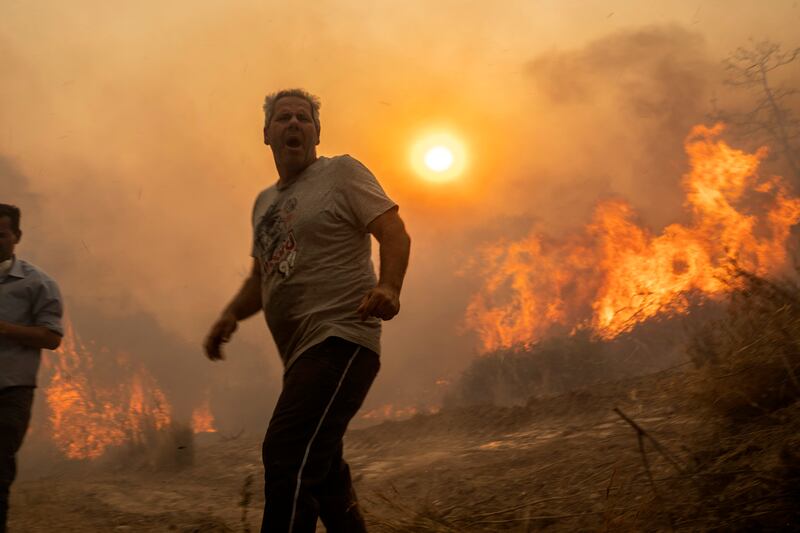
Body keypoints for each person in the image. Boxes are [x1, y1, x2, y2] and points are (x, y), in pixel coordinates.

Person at [204, 89, 411, 532]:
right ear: (266, 134)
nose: (294, 123)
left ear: (318, 131)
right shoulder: (264, 204)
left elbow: (393, 232)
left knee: (287, 450)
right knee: (325, 474)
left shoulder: (342, 173)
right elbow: (261, 280)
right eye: (283, 118)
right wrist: (229, 316)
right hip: (300, 356)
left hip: (341, 338)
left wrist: (389, 286)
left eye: (303, 117)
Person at [0, 204, 63, 533]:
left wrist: (5, 328)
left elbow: (52, 337)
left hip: (11, 390)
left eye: (1, 235)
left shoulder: (37, 284)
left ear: (17, 237)